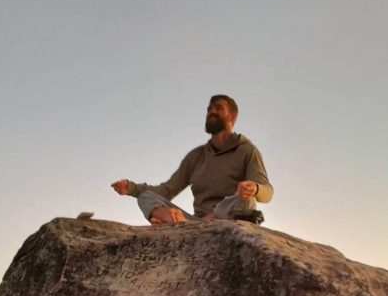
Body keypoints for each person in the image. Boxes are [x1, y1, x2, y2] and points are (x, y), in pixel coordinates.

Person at [111, 94, 273, 225]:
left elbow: (268, 193)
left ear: (233, 116)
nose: (212, 112)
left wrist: (255, 188)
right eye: (209, 109)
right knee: (146, 196)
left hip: (229, 216)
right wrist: (132, 188)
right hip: (197, 222)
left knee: (243, 199)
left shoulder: (247, 151)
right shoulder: (196, 156)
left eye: (218, 108)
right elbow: (168, 190)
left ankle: (170, 224)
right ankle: (174, 221)